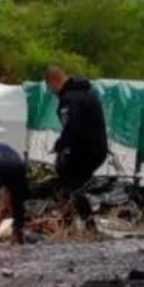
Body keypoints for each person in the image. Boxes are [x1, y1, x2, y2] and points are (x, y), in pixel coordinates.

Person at [45, 65, 109, 226]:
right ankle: (82, 223)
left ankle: (75, 223)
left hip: (84, 152)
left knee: (68, 181)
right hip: (98, 150)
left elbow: (72, 127)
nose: (51, 91)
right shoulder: (88, 94)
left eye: (49, 87)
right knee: (75, 185)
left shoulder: (69, 99)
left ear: (53, 82)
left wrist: (59, 146)